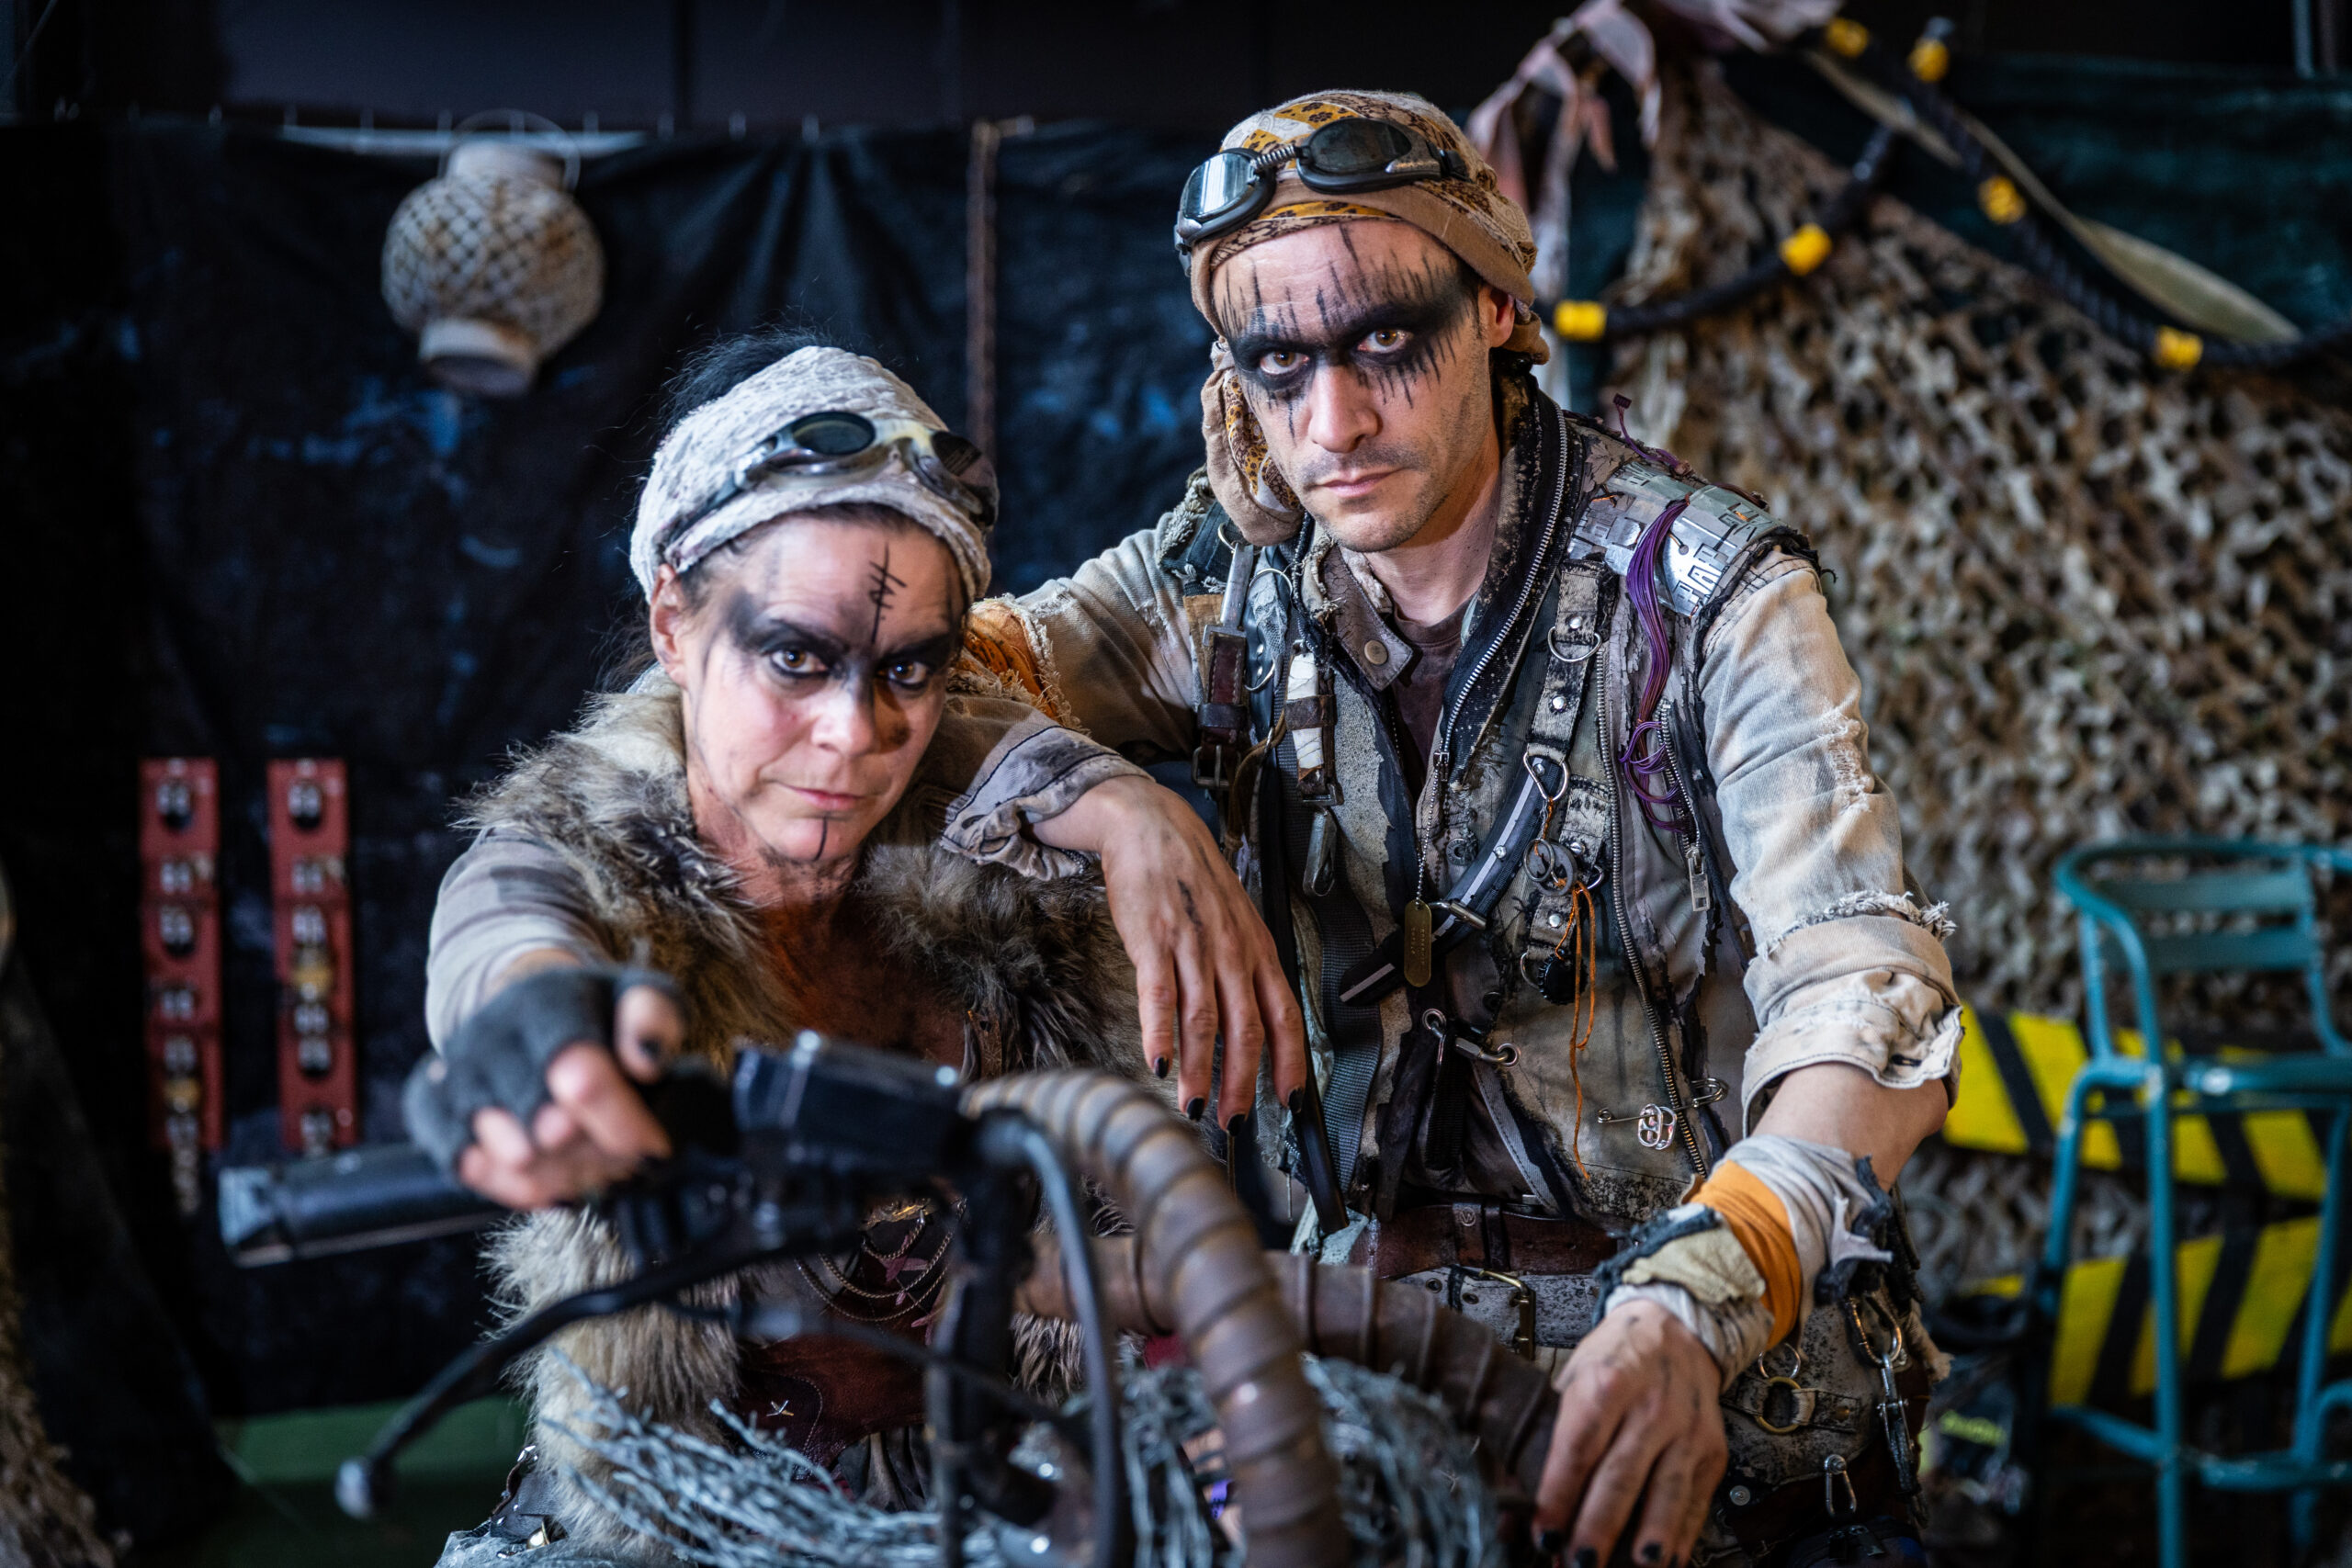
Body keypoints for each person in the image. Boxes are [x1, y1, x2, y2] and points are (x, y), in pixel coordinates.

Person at [963, 92, 1962, 1567]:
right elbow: (923, 682)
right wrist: (1111, 801)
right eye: (1279, 363)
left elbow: (1868, 997)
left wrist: (1703, 1292)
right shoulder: (1225, 581)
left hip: (1721, 1400)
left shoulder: (1708, 595)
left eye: (1386, 341)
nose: (1333, 424)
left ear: (1496, 306)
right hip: (1368, 1394)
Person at [406, 334, 1300, 1562]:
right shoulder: (584, 851)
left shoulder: (1007, 860)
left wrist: (1132, 806)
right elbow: (507, 924)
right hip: (690, 1534)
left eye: (906, 670)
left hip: (1009, 1510)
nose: (851, 734)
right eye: (794, 657)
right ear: (673, 622)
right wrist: (539, 1031)